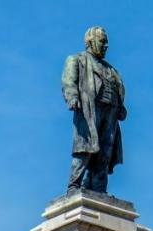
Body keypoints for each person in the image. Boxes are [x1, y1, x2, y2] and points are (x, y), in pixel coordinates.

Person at [62, 26, 126, 193]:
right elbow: (69, 82)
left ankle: (99, 188)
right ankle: (74, 185)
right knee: (85, 147)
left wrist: (120, 106)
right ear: (90, 42)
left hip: (111, 111)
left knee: (105, 151)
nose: (106, 46)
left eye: (106, 43)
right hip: (89, 108)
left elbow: (118, 88)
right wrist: (73, 97)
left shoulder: (111, 69)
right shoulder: (77, 60)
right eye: (102, 41)